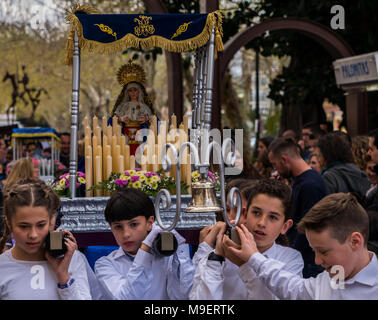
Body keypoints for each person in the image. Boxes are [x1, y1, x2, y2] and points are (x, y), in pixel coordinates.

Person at [222, 192, 378, 299]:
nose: (317, 260)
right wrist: (252, 259)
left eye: (324, 251)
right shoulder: (328, 280)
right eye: (314, 251)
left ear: (355, 241)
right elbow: (291, 288)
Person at [190, 179, 303, 300]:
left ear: (285, 226)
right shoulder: (219, 255)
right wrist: (215, 258)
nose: (261, 223)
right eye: (256, 213)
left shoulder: (290, 259)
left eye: (273, 217)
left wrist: (248, 262)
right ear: (244, 214)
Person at [94, 187, 195, 300]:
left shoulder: (168, 257)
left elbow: (184, 296)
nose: (126, 234)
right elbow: (127, 298)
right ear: (111, 228)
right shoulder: (105, 264)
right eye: (118, 227)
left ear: (150, 222)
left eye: (133, 224)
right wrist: (145, 250)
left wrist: (181, 248)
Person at [0, 181, 92, 299]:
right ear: (9, 223)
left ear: (52, 221)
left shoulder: (71, 259)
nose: (33, 235)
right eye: (24, 226)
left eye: (41, 225)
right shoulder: (3, 266)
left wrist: (64, 277)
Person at [268, 137, 327, 278]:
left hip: (306, 260)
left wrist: (291, 252)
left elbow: (308, 226)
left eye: (275, 164)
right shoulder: (301, 181)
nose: (275, 169)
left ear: (284, 160)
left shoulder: (310, 185)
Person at [109, 60, 154, 155]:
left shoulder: (144, 107)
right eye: (130, 90)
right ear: (127, 93)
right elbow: (112, 119)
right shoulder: (122, 106)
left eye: (135, 90)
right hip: (125, 135)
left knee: (140, 155)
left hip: (140, 135)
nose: (133, 93)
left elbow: (154, 120)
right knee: (125, 156)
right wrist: (120, 119)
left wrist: (146, 118)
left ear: (139, 92)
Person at [316, 132, 370, 201]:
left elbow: (327, 206)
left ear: (327, 156)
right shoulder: (356, 169)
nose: (319, 160)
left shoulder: (329, 177)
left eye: (319, 156)